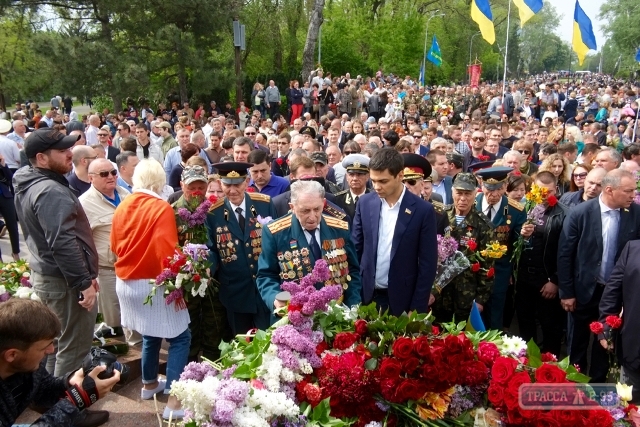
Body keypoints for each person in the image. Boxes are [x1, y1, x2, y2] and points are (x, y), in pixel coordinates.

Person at [14, 129, 100, 377]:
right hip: (63, 282)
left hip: (53, 277)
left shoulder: (31, 179)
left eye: (69, 149)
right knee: (74, 347)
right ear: (41, 159)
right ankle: (69, 410)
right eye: (62, 151)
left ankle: (51, 401)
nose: (70, 154)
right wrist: (83, 282)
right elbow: (62, 242)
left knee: (56, 344)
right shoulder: (50, 190)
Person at [110, 159, 190, 420]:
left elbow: (114, 245)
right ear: (159, 181)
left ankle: (148, 384)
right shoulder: (160, 207)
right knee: (180, 337)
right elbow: (168, 251)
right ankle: (174, 405)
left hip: (126, 282)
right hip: (153, 283)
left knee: (149, 335)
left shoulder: (122, 206)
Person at [558, 169, 640, 383]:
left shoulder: (636, 214)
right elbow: (565, 254)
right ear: (610, 189)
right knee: (577, 342)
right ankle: (574, 383)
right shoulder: (581, 213)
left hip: (616, 295)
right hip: (583, 290)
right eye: (629, 191)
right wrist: (566, 292)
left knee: (606, 343)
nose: (633, 195)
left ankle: (597, 386)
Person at [0, 299, 121, 427]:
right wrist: (80, 399)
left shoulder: (25, 363)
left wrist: (69, 382)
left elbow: (42, 389)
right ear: (12, 355)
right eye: (44, 347)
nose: (51, 350)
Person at [257, 180, 362, 321]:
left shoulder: (339, 228)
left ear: (323, 203)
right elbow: (266, 275)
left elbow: (353, 271)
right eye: (305, 210)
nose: (312, 216)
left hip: (337, 315)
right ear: (292, 207)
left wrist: (352, 308)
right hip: (295, 316)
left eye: (317, 209)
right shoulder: (275, 232)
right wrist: (275, 300)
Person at [352, 148, 437, 315]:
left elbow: (428, 263)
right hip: (366, 296)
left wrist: (417, 307)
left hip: (402, 301)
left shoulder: (422, 210)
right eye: (373, 181)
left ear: (400, 176)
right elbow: (355, 249)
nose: (377, 187)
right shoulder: (365, 203)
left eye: (383, 181)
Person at [205, 162, 276, 334]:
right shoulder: (213, 213)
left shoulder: (264, 204)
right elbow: (212, 249)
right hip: (234, 292)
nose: (232, 190)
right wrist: (207, 267)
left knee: (269, 341)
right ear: (221, 184)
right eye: (227, 185)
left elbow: (277, 240)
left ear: (247, 181)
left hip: (264, 289)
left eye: (237, 184)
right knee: (241, 344)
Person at [170, 166, 229, 360]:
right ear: (181, 185)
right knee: (189, 325)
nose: (196, 191)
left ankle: (212, 361)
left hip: (214, 280)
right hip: (187, 281)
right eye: (191, 186)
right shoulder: (172, 212)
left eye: (201, 187)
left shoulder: (215, 210)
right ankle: (190, 363)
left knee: (215, 322)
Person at [515, 171, 567, 356]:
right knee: (525, 322)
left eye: (549, 192)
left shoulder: (565, 214)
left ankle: (550, 365)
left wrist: (555, 279)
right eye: (540, 191)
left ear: (556, 190)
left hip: (547, 279)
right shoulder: (522, 207)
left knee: (550, 325)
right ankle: (527, 361)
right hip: (524, 277)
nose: (544, 196)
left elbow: (566, 252)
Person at [431, 172, 495, 323]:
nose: (463, 198)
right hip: (439, 293)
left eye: (468, 194)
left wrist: (480, 299)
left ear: (475, 194)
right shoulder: (440, 216)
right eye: (459, 193)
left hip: (466, 296)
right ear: (452, 191)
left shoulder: (483, 225)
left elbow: (488, 267)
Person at [79, 158, 131, 341]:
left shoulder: (126, 194)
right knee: (113, 322)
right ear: (91, 178)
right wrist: (89, 276)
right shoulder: (84, 204)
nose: (110, 177)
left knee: (133, 319)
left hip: (132, 268)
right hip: (107, 270)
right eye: (104, 174)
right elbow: (80, 244)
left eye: (113, 172)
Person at [474, 166, 526, 330]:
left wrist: (526, 236)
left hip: (499, 273)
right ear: (481, 185)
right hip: (472, 273)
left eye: (499, 188)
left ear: (505, 187)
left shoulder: (515, 210)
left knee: (495, 318)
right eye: (489, 189)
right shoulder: (470, 203)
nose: (494, 194)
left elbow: (519, 244)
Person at [599, 240, 640, 403]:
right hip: (634, 352)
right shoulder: (633, 249)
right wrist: (606, 329)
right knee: (627, 409)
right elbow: (612, 292)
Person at [401, 153, 449, 235]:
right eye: (402, 182)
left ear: (422, 184)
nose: (406, 186)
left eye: (411, 182)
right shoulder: (392, 207)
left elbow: (444, 245)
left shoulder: (437, 213)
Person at [334, 154, 370, 221]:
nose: (355, 178)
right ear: (347, 177)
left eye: (359, 174)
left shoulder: (375, 198)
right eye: (351, 174)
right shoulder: (338, 199)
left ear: (367, 177)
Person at [0, 153, 19, 262]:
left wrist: (3, 165)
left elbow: (10, 178)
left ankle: (15, 253)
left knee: (12, 225)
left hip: (5, 196)